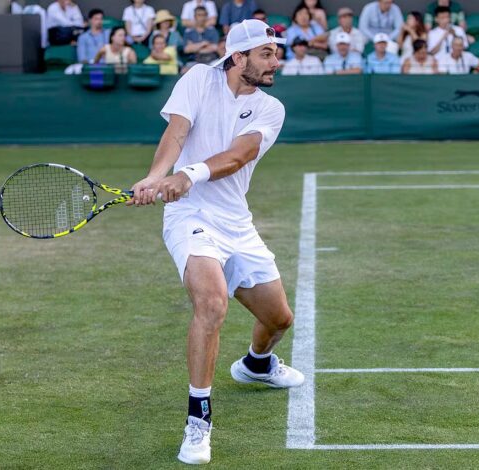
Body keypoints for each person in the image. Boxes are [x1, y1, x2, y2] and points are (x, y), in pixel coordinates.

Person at [128, 19, 300, 465]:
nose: (274, 62)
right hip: (189, 217)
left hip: (235, 222)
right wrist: (155, 176)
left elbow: (238, 155)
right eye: (266, 54)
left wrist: (187, 174)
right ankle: (198, 421)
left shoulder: (270, 108)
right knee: (212, 303)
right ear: (237, 57)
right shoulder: (198, 79)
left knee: (280, 319)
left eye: (275, 53)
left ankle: (256, 365)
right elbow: (177, 132)